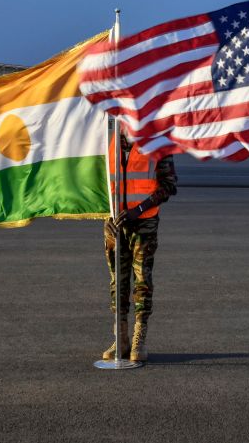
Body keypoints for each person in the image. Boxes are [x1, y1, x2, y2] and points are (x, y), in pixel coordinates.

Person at [102, 127, 177, 362]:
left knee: (142, 281)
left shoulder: (158, 142)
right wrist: (105, 216)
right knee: (118, 281)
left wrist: (139, 210)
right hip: (116, 224)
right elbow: (100, 185)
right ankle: (120, 338)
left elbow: (169, 186)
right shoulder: (109, 143)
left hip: (143, 224)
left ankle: (138, 339)